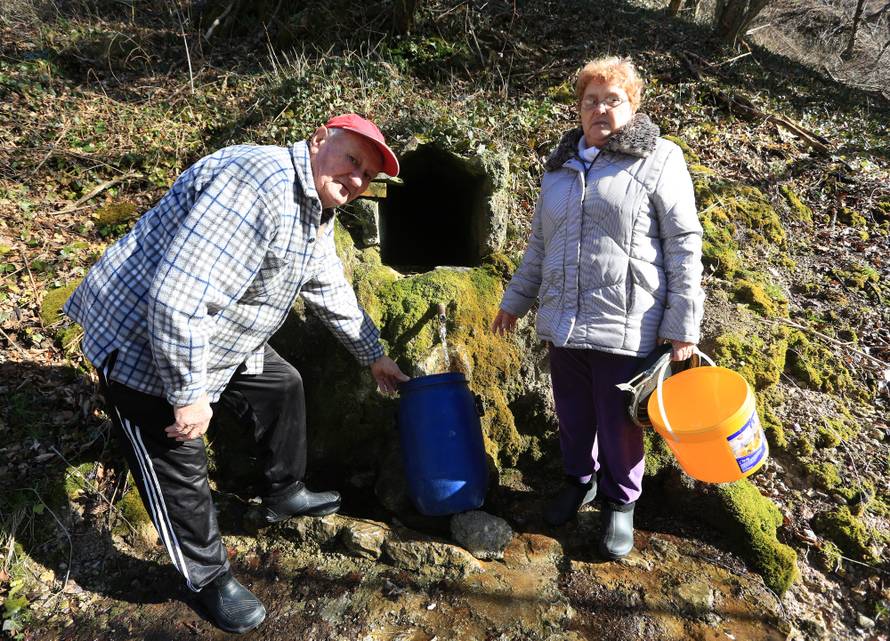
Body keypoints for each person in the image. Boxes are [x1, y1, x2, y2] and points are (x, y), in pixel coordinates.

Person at [64, 113, 409, 633]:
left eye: (367, 174)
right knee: (178, 455)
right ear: (319, 138)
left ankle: (283, 491)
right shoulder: (256, 185)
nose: (356, 178)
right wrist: (188, 395)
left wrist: (373, 354)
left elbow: (328, 285)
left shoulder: (315, 206)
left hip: (221, 337)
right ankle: (206, 579)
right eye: (352, 159)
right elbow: (175, 300)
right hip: (144, 345)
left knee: (282, 384)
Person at [491, 57, 704, 560]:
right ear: (579, 108)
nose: (601, 109)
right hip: (563, 321)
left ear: (633, 107)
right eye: (591, 100)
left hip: (626, 322)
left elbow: (683, 243)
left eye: (613, 100)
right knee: (571, 414)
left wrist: (683, 325)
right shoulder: (559, 169)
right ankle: (579, 481)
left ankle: (620, 501)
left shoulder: (660, 159)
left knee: (619, 422)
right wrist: (515, 302)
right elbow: (539, 246)